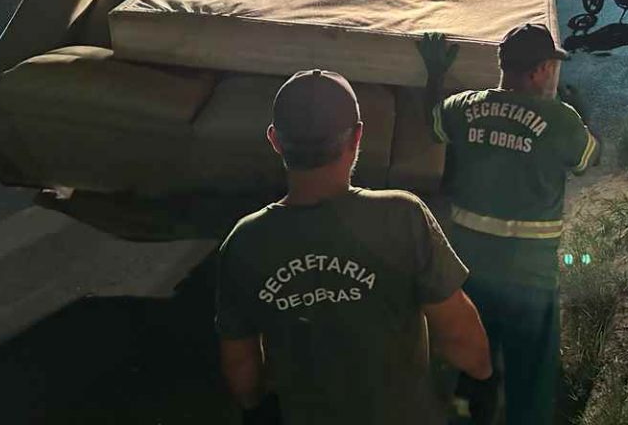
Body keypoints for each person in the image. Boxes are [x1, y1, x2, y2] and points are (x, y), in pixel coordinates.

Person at [216, 69, 492, 424]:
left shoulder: (245, 241)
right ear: (358, 136)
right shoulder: (402, 217)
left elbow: (240, 362)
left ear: (275, 140)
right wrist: (484, 375)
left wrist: (254, 405)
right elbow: (460, 337)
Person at [419, 24, 599, 425]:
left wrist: (434, 74)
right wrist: (578, 112)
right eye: (551, 65)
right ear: (539, 71)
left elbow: (431, 121)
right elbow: (588, 159)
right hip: (530, 281)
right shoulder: (560, 119)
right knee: (530, 382)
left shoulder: (463, 107)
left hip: (469, 276)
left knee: (471, 371)